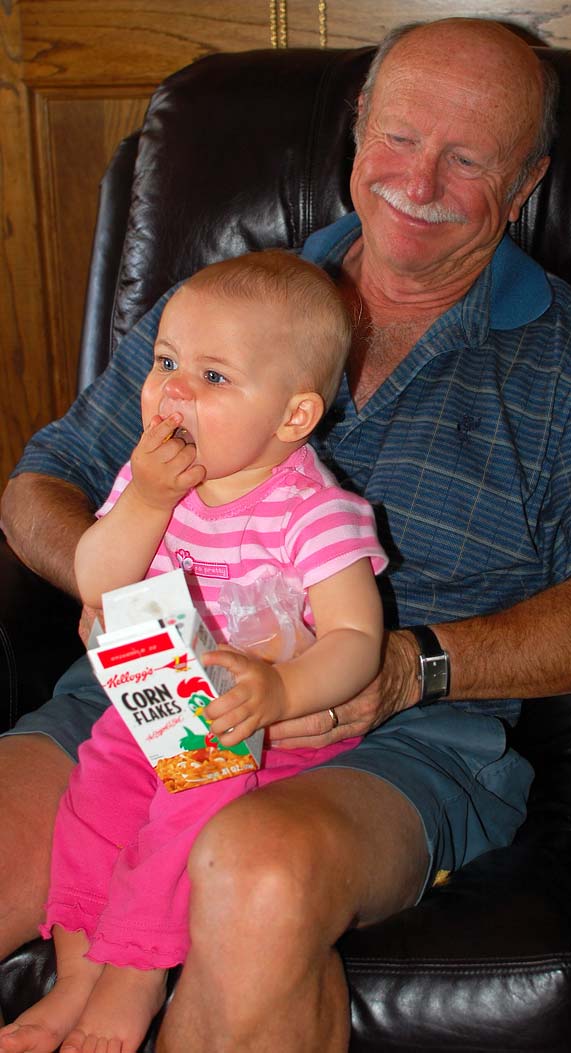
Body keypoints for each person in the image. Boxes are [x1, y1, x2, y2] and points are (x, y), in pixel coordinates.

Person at [0, 17, 571, 1053]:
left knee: (257, 881)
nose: (420, 178)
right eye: (401, 137)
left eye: (469, 158)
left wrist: (412, 668)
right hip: (135, 703)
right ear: (357, 134)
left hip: (386, 743)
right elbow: (40, 484)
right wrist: (106, 585)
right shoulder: (221, 307)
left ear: (528, 180)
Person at [0, 249, 387, 1053]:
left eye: (213, 377)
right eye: (167, 361)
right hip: (156, 700)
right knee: (96, 796)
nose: (173, 389)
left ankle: (135, 975)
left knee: (192, 805)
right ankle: (77, 972)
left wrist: (281, 693)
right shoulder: (154, 481)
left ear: (293, 417)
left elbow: (358, 641)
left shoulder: (315, 511)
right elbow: (98, 580)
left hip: (263, 729)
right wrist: (144, 499)